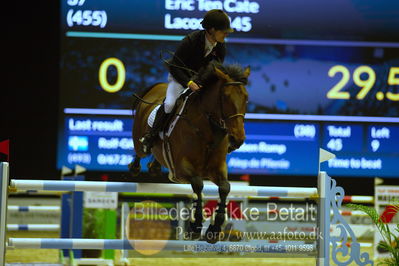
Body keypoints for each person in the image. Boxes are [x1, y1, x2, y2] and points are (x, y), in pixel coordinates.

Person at [139, 9, 234, 154]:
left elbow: (216, 69)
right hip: (180, 78)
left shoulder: (220, 46)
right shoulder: (191, 41)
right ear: (212, 30)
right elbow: (174, 67)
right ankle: (150, 137)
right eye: (224, 31)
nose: (226, 34)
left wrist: (205, 84)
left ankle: (223, 140)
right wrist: (189, 83)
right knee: (170, 103)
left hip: (201, 82)